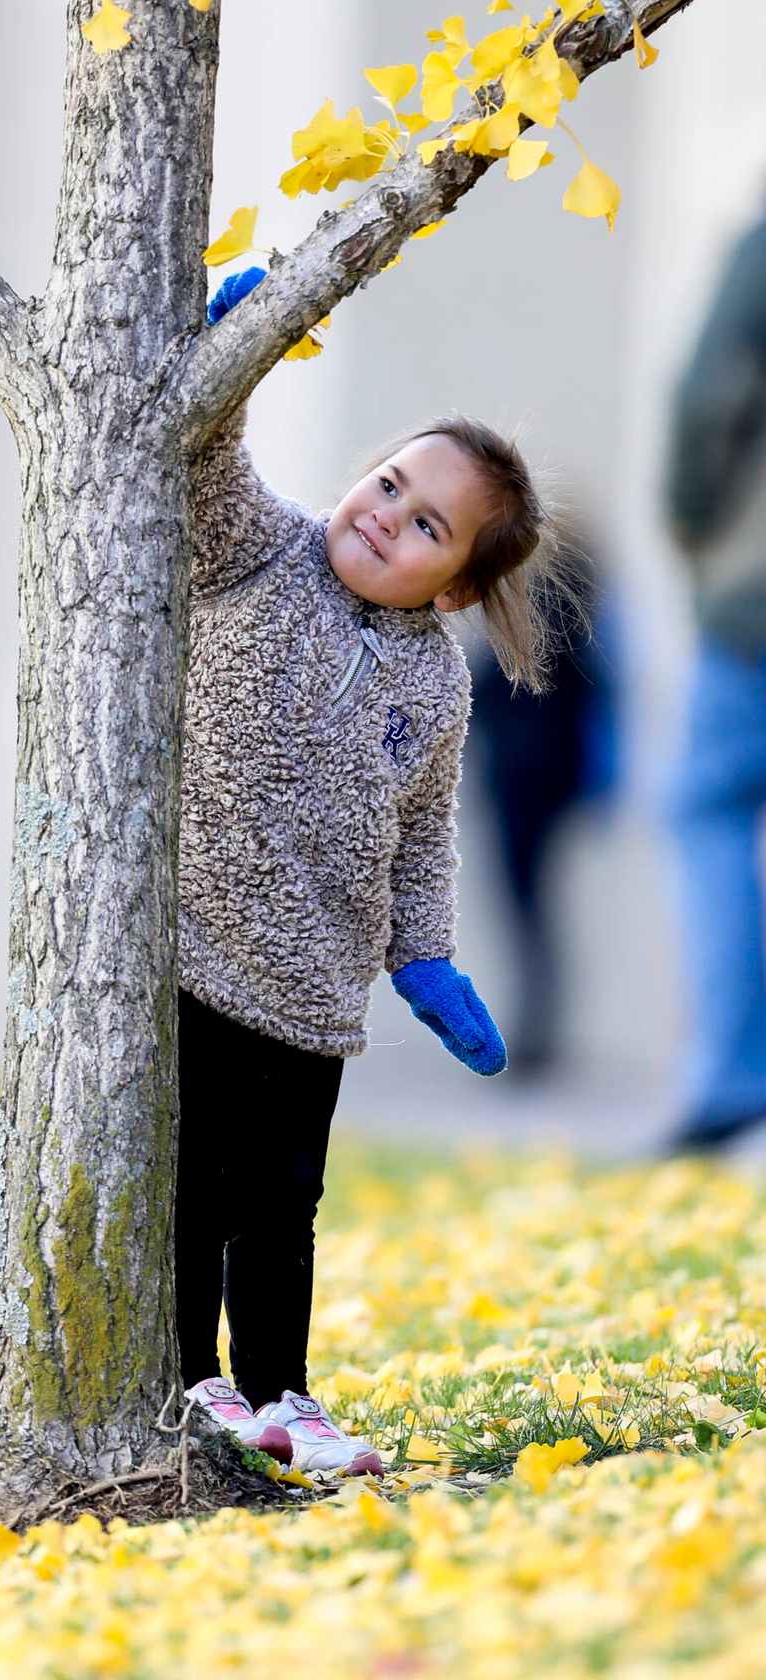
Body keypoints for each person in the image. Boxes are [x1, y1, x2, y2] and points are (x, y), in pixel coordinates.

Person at [176, 267, 552, 1477]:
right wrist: (242, 350)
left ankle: (279, 1389)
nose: (388, 515)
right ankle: (187, 1380)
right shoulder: (257, 552)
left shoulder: (437, 682)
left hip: (318, 988)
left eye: (428, 524)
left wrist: (426, 956)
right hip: (195, 946)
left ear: (453, 585)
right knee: (192, 1184)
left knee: (284, 1202)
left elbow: (425, 832)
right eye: (391, 484)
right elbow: (202, 463)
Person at [663, 208, 766, 1150]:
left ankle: (734, 1074)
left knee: (709, 808)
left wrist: (696, 534)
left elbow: (708, 404)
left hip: (755, 599)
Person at [468, 551, 615, 1078]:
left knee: (522, 905)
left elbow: (478, 695)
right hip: (555, 785)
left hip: (517, 783)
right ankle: (539, 1023)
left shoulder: (521, 628)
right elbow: (598, 712)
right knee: (536, 907)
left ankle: (533, 1027)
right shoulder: (585, 637)